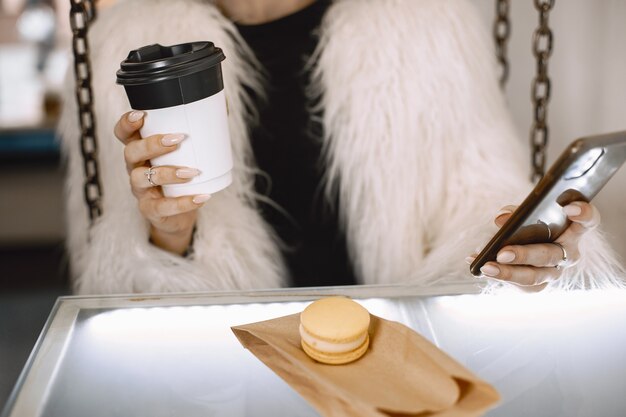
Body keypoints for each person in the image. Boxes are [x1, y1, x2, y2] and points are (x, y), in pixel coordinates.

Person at [60, 0, 624, 294]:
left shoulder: (426, 25)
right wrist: (169, 234)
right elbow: (125, 282)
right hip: (232, 368)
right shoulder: (131, 48)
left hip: (396, 360)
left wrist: (520, 246)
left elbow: (480, 199)